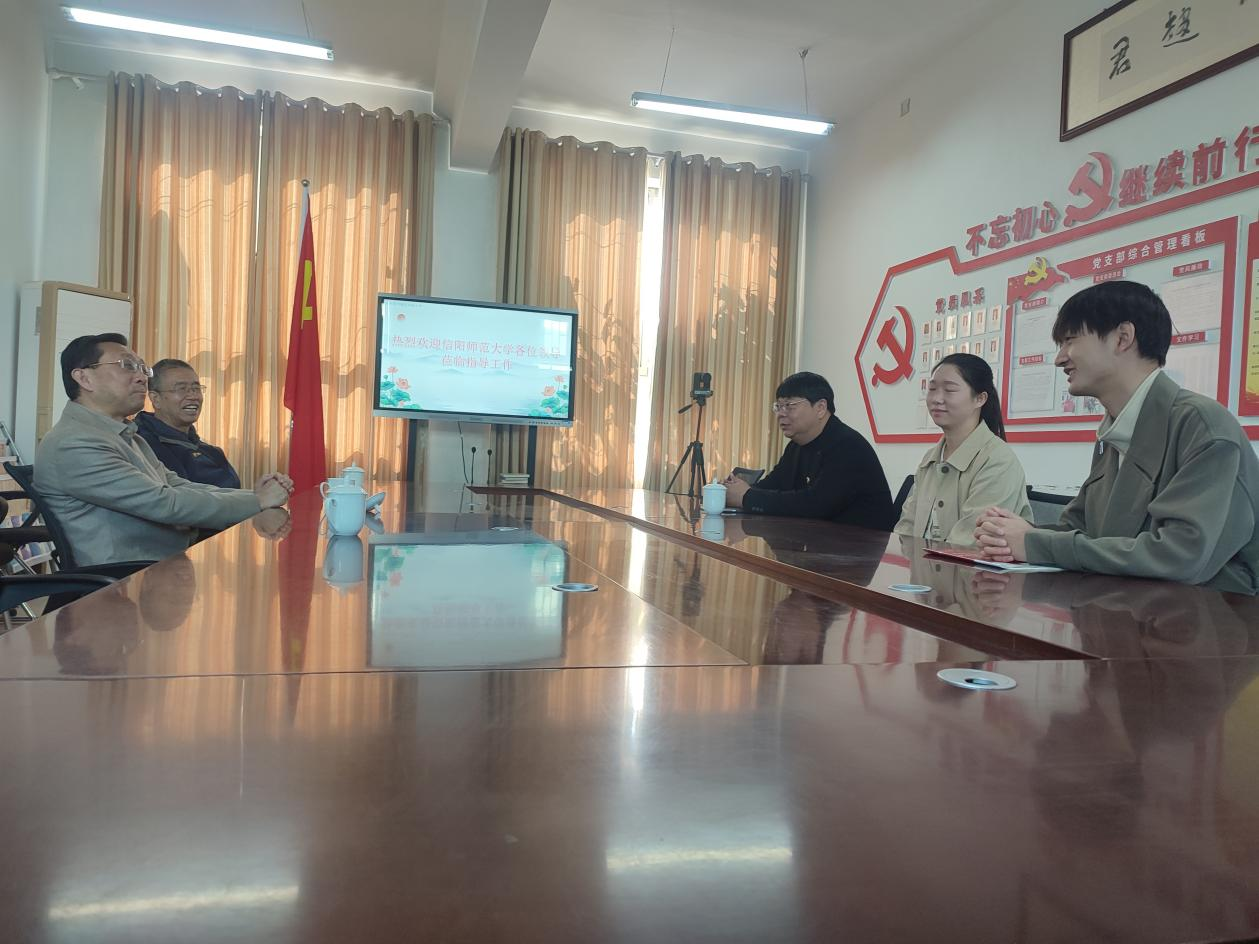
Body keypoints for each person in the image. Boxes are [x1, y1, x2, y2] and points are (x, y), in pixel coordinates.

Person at [974, 280, 1259, 593]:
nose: (1060, 358)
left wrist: (1033, 543)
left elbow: (1178, 557)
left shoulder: (1201, 425)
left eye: (1070, 340)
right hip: (1127, 608)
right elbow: (1081, 529)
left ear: (1123, 337)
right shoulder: (1115, 432)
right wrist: (1010, 535)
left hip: (1212, 616)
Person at [34, 333, 293, 566]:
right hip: (128, 582)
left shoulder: (124, 435)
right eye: (127, 366)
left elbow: (178, 485)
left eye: (141, 368)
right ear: (84, 378)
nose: (142, 378)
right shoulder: (75, 443)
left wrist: (255, 495)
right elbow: (165, 503)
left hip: (172, 564)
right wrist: (258, 501)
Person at [722, 371, 894, 529]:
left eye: (789, 405)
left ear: (820, 408)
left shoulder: (848, 446)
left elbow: (816, 504)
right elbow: (772, 485)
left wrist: (747, 497)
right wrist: (733, 491)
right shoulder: (796, 445)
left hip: (862, 545)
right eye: (778, 406)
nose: (781, 414)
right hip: (818, 541)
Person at [895, 353, 1031, 545]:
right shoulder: (931, 458)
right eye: (932, 389)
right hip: (923, 563)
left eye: (949, 390)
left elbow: (970, 542)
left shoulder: (997, 460)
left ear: (980, 398)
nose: (936, 399)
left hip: (971, 564)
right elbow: (906, 529)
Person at [135, 359, 241, 488]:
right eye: (181, 389)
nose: (193, 396)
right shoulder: (140, 444)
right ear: (155, 399)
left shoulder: (212, 452)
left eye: (196, 389)